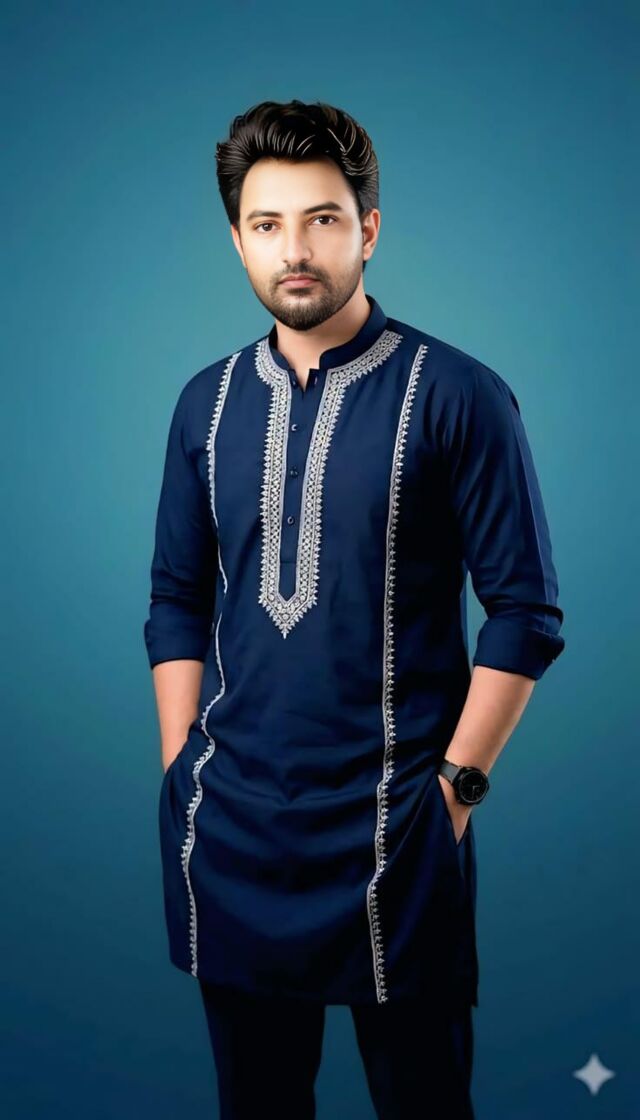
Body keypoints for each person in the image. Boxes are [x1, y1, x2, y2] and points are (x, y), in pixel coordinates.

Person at [143, 98, 566, 1119]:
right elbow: (176, 597)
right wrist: (179, 769)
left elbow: (524, 612)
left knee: (425, 1103)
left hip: (398, 827)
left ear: (368, 229)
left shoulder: (456, 393)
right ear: (237, 240)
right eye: (267, 223)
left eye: (322, 219)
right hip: (232, 829)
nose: (295, 249)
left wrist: (454, 795)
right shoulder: (206, 402)